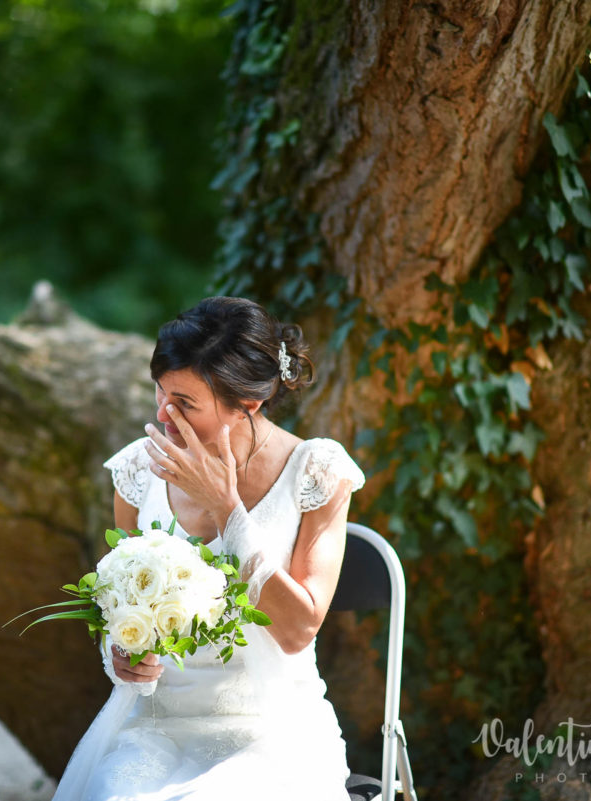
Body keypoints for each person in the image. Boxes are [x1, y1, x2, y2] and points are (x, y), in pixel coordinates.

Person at [53, 296, 365, 801]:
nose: (162, 414)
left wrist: (227, 510)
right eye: (160, 392)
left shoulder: (316, 472)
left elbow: (298, 629)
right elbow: (118, 610)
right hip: (155, 726)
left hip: (270, 730)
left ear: (248, 404)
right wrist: (121, 657)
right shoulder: (137, 471)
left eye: (185, 403)